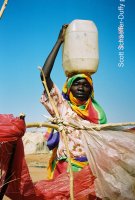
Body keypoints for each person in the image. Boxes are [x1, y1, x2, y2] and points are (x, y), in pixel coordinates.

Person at [40, 25, 107, 199]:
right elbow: (44, 77)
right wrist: (59, 41)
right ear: (69, 88)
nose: (81, 88)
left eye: (86, 85)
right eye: (77, 84)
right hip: (65, 169)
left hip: (89, 173)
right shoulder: (62, 107)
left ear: (91, 89)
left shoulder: (99, 113)